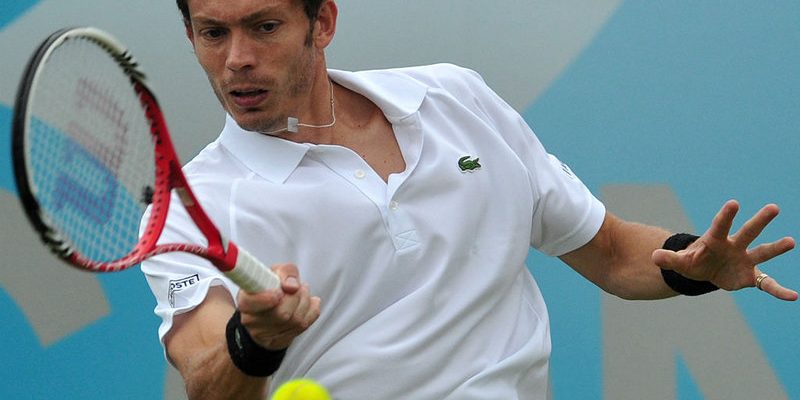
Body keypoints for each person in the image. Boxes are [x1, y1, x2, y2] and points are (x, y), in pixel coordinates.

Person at [141, 0, 798, 398]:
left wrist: (694, 264)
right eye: (212, 33)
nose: (238, 60)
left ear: (323, 22)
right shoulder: (186, 208)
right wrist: (255, 342)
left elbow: (610, 251)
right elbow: (206, 377)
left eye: (264, 27)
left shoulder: (454, 99)